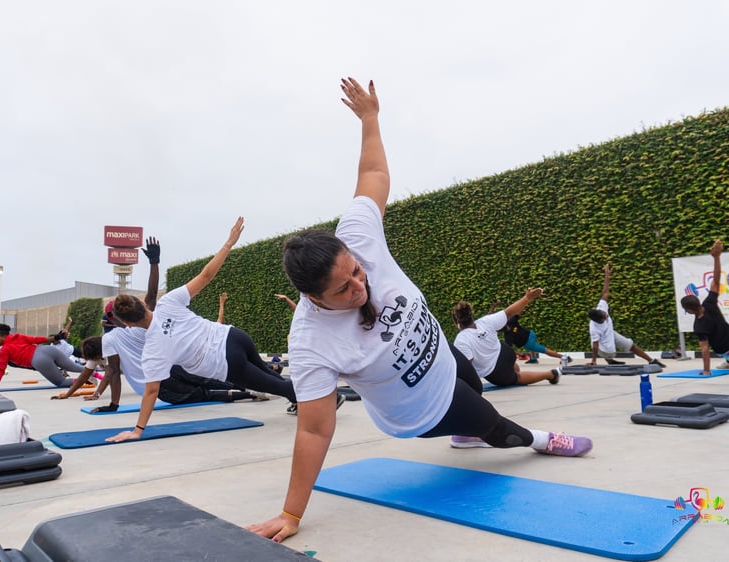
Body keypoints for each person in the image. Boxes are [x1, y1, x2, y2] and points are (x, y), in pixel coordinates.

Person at [247, 77, 592, 544]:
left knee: (473, 381)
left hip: (447, 359)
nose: (358, 284)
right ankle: (540, 441)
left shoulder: (359, 236)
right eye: (342, 289)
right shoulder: (311, 342)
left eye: (356, 272)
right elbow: (312, 430)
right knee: (492, 423)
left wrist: (370, 118)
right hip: (422, 410)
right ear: (313, 299)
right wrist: (290, 513)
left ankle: (467, 433)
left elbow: (373, 177)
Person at [105, 221, 304, 442]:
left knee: (279, 386)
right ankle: (302, 399)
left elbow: (151, 392)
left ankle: (325, 399)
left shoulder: (152, 351)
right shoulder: (168, 302)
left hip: (227, 362)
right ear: (143, 304)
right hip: (235, 336)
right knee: (271, 377)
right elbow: (205, 276)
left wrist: (137, 430)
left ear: (128, 325)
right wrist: (229, 243)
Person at [53, 237, 258, 408]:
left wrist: (111, 404)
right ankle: (250, 387)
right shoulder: (143, 326)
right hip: (172, 368)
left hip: (158, 383)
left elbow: (112, 372)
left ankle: (245, 393)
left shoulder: (117, 337)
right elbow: (151, 297)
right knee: (206, 381)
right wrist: (154, 262)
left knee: (202, 392)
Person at [451, 292, 562, 394]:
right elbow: (509, 312)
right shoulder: (485, 321)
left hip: (495, 370)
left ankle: (551, 374)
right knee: (513, 368)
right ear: (471, 316)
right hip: (506, 352)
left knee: (518, 378)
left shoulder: (461, 340)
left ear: (457, 324)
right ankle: (514, 368)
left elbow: (467, 367)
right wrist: (527, 298)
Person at [587, 264, 666, 368]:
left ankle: (651, 361)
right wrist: (594, 361)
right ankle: (609, 359)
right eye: (604, 317)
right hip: (603, 343)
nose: (606, 315)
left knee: (631, 345)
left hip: (610, 333)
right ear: (599, 321)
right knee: (604, 349)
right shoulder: (594, 328)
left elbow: (605, 293)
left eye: (605, 314)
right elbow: (596, 346)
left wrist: (607, 275)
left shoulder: (601, 307)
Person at [680, 239, 729, 374]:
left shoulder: (699, 326)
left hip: (725, 351)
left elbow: (705, 349)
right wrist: (717, 258)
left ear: (689, 310)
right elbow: (716, 280)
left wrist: (706, 370)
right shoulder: (709, 303)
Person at [0, 324, 82, 391]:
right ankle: (94, 374)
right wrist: (56, 337)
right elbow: (36, 339)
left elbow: (1, 369)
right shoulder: (18, 336)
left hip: (39, 361)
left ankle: (84, 380)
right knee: (75, 367)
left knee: (62, 382)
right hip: (47, 349)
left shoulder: (4, 350)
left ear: (3, 337)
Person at [487, 300, 571, 366]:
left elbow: (509, 350)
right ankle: (533, 358)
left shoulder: (508, 335)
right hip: (531, 334)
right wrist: (525, 301)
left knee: (544, 350)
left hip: (528, 342)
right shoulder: (511, 322)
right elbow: (518, 312)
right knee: (531, 346)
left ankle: (564, 357)